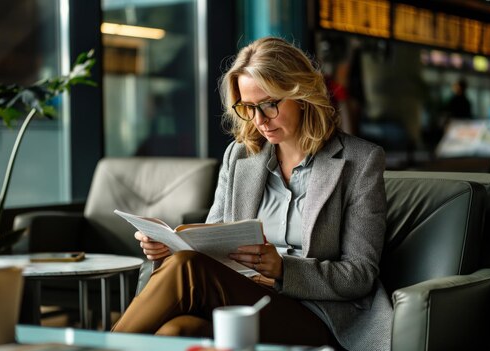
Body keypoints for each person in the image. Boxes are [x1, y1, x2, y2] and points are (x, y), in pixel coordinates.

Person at [112, 37, 392, 351]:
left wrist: (284, 270)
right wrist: (170, 248)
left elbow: (360, 273)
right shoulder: (240, 156)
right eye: (248, 107)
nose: (259, 120)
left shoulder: (360, 161)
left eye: (270, 104)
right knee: (177, 331)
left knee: (187, 268)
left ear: (300, 95)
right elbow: (209, 243)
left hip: (317, 315)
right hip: (240, 299)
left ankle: (91, 348)